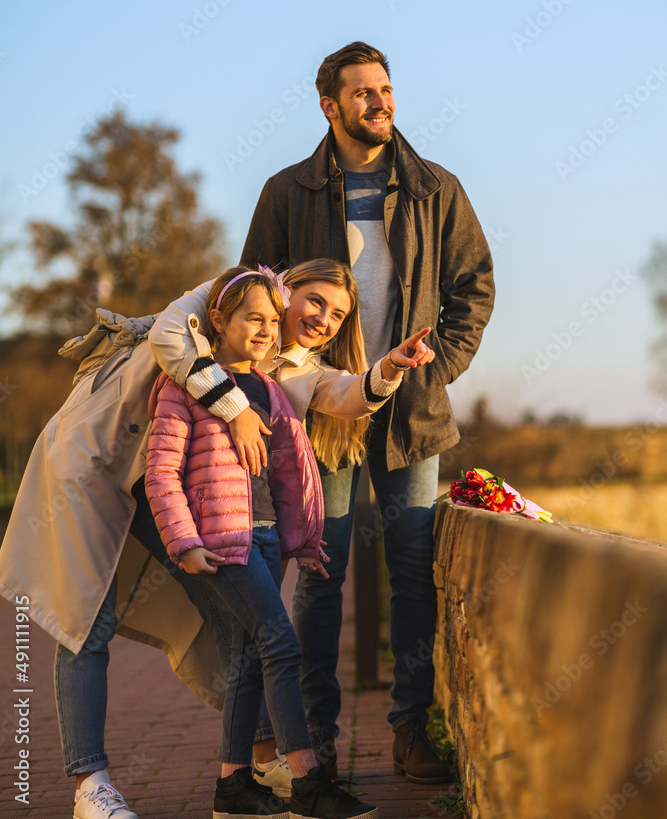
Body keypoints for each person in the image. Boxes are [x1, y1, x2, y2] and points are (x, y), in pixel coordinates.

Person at [0, 259, 433, 818]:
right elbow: (166, 336)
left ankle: (253, 763)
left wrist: (391, 367)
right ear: (287, 289)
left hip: (168, 487)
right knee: (87, 621)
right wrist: (233, 410)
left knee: (235, 617)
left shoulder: (283, 364)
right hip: (96, 461)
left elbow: (344, 394)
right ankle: (91, 786)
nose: (323, 319)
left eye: (338, 314)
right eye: (315, 301)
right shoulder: (225, 297)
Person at [240, 41, 496, 783]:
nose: (379, 102)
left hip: (411, 416)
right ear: (329, 106)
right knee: (322, 574)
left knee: (415, 573)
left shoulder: (434, 189)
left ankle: (411, 728)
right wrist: (285, 381)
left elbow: (473, 289)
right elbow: (253, 296)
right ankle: (312, 737)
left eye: (384, 89)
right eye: (361, 93)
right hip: (325, 414)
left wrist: (433, 372)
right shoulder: (288, 192)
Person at [144, 265, 380, 819]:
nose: (267, 330)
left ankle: (233, 787)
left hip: (269, 539)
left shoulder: (272, 389)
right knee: (281, 643)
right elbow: (161, 472)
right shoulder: (183, 384)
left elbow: (288, 472)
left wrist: (300, 537)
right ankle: (308, 782)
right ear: (219, 320)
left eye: (273, 321)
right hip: (224, 540)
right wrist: (182, 542)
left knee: (251, 656)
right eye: (253, 318)